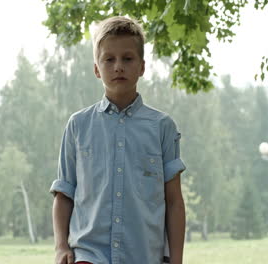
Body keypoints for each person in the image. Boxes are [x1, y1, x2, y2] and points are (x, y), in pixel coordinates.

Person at [50, 16, 186, 264]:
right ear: (96, 68)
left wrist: (175, 260)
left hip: (144, 255)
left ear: (142, 67)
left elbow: (174, 201)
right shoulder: (78, 126)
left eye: (127, 58)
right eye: (109, 59)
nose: (118, 66)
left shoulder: (162, 127)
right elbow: (64, 194)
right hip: (89, 254)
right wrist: (61, 246)